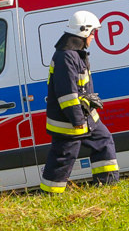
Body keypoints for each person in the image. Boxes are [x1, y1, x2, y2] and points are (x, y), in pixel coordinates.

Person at [40, 11, 119, 194]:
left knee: (104, 140)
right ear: (83, 32)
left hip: (85, 116)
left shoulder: (75, 54)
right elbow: (66, 94)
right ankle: (50, 195)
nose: (93, 37)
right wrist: (77, 120)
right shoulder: (66, 57)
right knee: (63, 158)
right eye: (92, 33)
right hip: (70, 121)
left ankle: (107, 186)